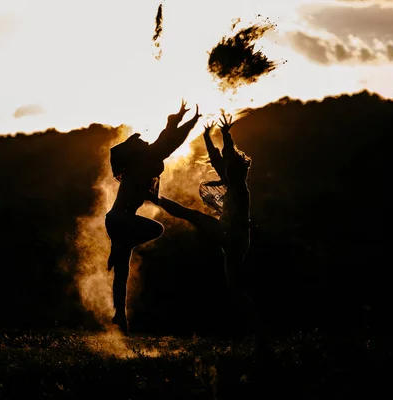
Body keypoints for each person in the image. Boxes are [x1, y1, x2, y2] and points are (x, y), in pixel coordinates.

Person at [149, 111, 273, 354]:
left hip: (233, 234)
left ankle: (156, 198)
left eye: (227, 164)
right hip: (234, 236)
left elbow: (225, 156)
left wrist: (224, 136)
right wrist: (210, 136)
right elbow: (219, 157)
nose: (222, 166)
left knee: (192, 215)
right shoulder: (231, 178)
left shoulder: (237, 184)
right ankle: (258, 336)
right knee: (234, 289)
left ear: (234, 168)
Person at [106, 99, 202, 334]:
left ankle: (120, 315)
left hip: (116, 219)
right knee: (156, 229)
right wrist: (187, 122)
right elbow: (168, 141)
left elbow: (165, 139)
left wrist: (180, 119)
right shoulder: (143, 165)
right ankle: (122, 248)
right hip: (122, 219)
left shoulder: (135, 172)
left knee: (122, 271)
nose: (149, 144)